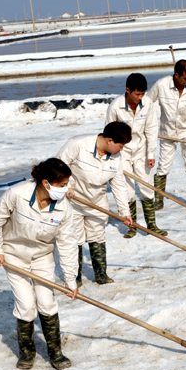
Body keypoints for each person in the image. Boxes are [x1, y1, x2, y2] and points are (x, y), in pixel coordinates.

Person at [0, 158, 79, 370]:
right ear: (46, 183)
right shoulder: (17, 194)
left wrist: (70, 280)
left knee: (47, 303)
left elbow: (68, 244)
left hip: (42, 257)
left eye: (67, 184)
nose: (66, 189)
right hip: (14, 256)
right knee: (26, 306)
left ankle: (55, 351)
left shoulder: (64, 207)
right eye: (62, 184)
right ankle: (27, 351)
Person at [57, 121, 133, 285]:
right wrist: (66, 187)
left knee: (97, 235)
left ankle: (101, 275)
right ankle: (75, 277)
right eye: (120, 146)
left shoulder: (116, 157)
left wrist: (124, 212)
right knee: (75, 238)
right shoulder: (78, 144)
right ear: (109, 140)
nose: (121, 150)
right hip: (73, 201)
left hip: (97, 202)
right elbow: (57, 166)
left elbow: (118, 185)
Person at [105, 73, 167, 239]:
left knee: (147, 187)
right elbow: (108, 133)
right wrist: (110, 156)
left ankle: (152, 225)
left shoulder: (147, 104)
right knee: (128, 190)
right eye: (137, 94)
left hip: (141, 151)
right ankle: (132, 226)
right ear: (128, 90)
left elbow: (151, 129)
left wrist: (151, 153)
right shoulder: (115, 106)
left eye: (143, 94)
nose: (140, 97)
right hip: (122, 153)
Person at [148, 59, 186, 211]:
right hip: (167, 131)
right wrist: (148, 123)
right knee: (163, 165)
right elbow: (147, 102)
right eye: (185, 78)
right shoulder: (161, 85)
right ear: (176, 75)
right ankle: (158, 200)